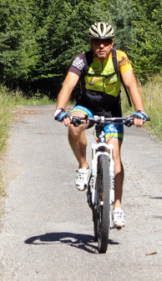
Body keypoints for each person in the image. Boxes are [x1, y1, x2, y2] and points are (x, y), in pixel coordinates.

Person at [52, 21, 148, 229]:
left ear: (112, 43)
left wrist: (140, 111)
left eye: (105, 42)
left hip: (112, 110)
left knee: (115, 156)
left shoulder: (120, 58)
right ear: (91, 43)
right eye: (97, 42)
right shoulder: (82, 60)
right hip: (87, 106)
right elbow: (68, 85)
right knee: (74, 126)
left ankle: (118, 207)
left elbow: (131, 84)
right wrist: (60, 109)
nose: (101, 46)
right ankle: (83, 166)